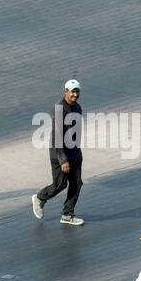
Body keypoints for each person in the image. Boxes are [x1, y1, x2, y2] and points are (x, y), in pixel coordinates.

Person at [32, 79, 85, 226]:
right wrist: (63, 160)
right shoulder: (59, 109)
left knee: (77, 183)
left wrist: (78, 152)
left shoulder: (78, 108)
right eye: (72, 91)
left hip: (74, 152)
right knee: (60, 184)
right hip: (59, 153)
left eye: (77, 91)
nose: (75, 94)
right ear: (66, 91)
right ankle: (40, 198)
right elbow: (56, 136)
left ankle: (67, 214)